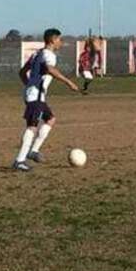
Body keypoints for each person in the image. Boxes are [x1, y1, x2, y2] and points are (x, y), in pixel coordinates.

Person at [12, 28, 80, 171]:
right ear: (52, 40)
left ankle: (33, 151)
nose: (61, 42)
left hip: (36, 95)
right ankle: (19, 161)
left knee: (50, 119)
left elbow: (22, 72)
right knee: (32, 126)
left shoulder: (37, 53)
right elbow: (50, 69)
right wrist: (69, 82)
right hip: (35, 95)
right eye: (59, 39)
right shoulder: (49, 54)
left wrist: (29, 85)